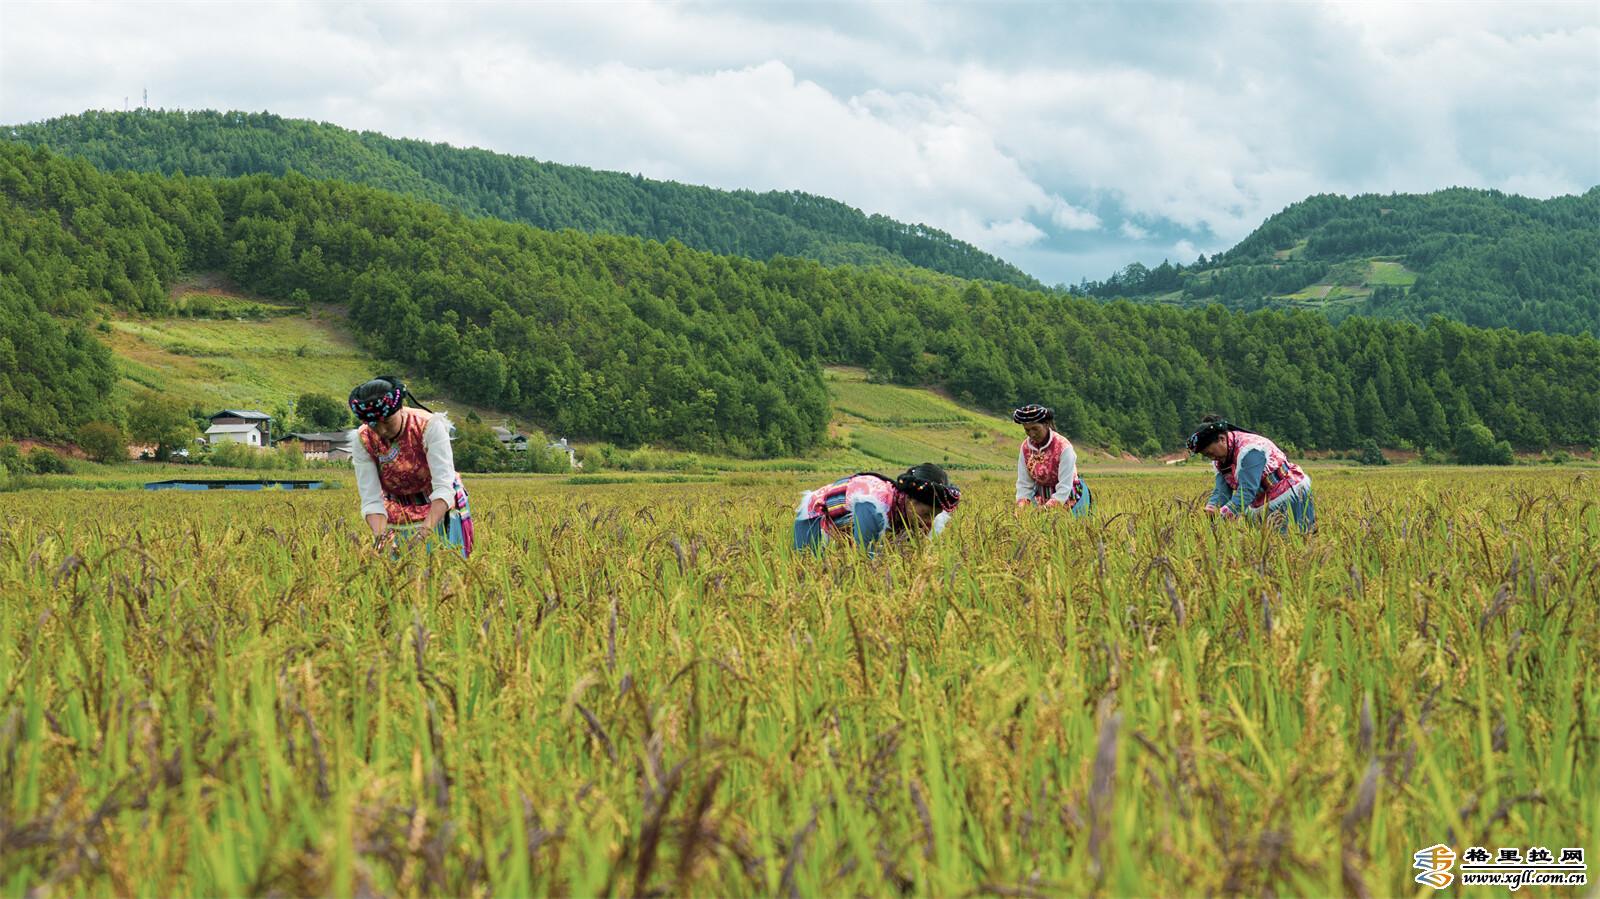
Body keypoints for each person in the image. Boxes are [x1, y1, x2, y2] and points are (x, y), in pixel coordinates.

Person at [348, 376, 475, 557]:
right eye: (374, 424)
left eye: (387, 421)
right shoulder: (363, 439)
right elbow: (371, 499)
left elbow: (443, 488)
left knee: (442, 562)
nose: (382, 431)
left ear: (400, 408)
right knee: (397, 565)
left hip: (439, 504)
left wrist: (422, 535)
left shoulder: (429, 426)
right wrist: (382, 539)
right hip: (396, 507)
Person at [793, 463, 960, 555]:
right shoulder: (874, 505)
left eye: (935, 515)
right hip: (816, 511)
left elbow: (909, 555)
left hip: (851, 525)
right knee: (806, 560)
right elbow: (865, 557)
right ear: (909, 500)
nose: (929, 521)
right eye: (926, 514)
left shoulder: (922, 518)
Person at [1187, 415, 1315, 533]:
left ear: (1222, 439)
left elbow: (1247, 491)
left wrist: (1222, 515)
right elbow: (1221, 491)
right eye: (1207, 455)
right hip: (1260, 502)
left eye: (1210, 453)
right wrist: (1211, 509)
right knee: (1264, 544)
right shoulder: (1221, 459)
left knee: (1295, 539)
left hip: (1289, 495)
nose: (1211, 458)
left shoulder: (1250, 450)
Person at [1012, 404, 1092, 516]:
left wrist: (1046, 508)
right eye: (1027, 430)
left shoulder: (1064, 447)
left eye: (1035, 429)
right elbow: (1024, 483)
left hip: (1069, 495)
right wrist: (1021, 507)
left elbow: (1065, 486)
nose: (1031, 434)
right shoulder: (1025, 448)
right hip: (1042, 496)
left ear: (1046, 424)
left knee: (1066, 525)